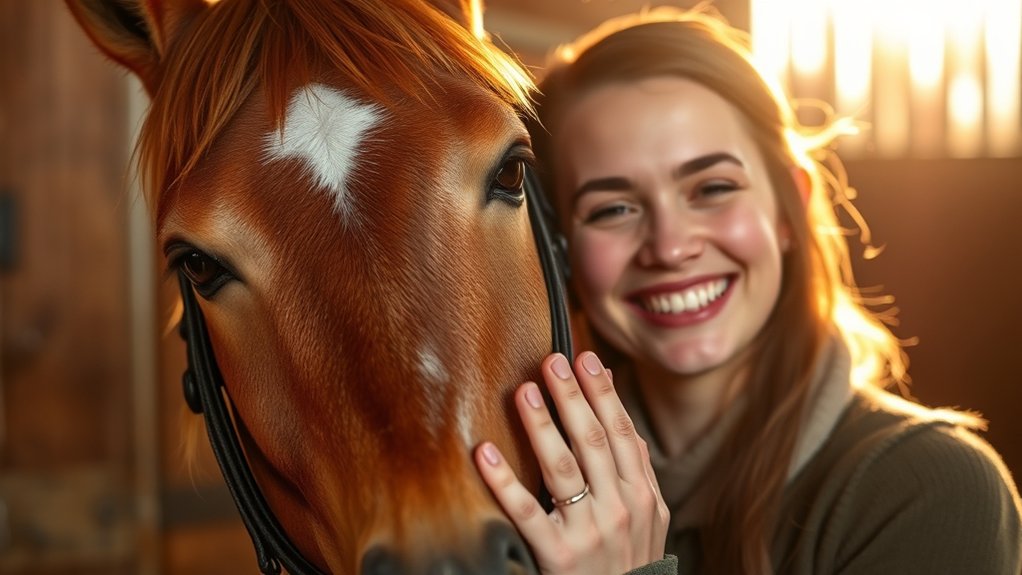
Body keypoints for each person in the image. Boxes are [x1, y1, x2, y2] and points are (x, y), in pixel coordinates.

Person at [474, 7, 1022, 575]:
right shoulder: (514, 489)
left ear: (791, 207)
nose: (670, 246)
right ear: (557, 248)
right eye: (613, 207)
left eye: (712, 188)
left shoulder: (928, 489)